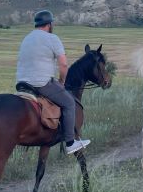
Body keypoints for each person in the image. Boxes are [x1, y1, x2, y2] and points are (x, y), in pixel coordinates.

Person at [16, 10, 90, 153]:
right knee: (69, 103)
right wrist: (62, 81)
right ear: (49, 24)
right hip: (41, 83)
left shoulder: (26, 38)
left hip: (21, 84)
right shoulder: (52, 38)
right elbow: (63, 65)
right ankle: (70, 143)